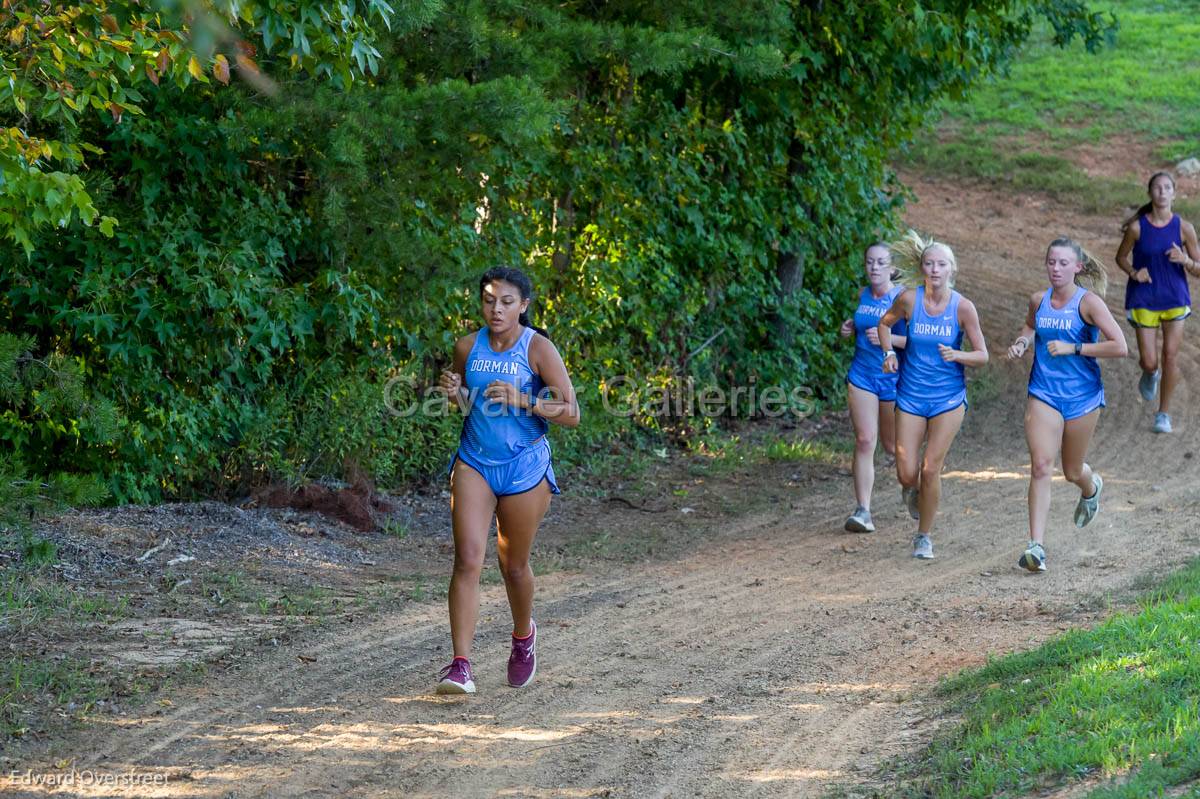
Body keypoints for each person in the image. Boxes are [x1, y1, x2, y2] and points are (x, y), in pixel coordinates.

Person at [435, 266, 579, 694]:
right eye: (488, 300)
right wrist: (453, 395)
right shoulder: (467, 347)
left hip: (524, 467)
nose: (495, 309)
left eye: (506, 301)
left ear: (524, 306)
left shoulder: (538, 349)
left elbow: (572, 413)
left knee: (513, 566)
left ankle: (522, 638)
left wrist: (525, 399)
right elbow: (465, 405)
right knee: (468, 559)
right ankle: (461, 664)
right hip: (475, 462)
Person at [1007, 238, 1127, 572]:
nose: (1055, 269)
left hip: (1083, 397)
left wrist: (1074, 348)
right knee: (1041, 465)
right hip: (1043, 392)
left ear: (1078, 267)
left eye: (1063, 263)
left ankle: (1091, 487)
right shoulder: (1038, 300)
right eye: (1051, 262)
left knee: (1072, 470)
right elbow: (1031, 326)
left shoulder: (1088, 303)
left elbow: (1120, 346)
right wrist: (1021, 342)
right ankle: (1036, 547)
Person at [878, 231, 988, 560]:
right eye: (929, 263)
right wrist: (888, 354)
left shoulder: (963, 308)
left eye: (941, 264)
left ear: (952, 269)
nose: (935, 269)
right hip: (910, 395)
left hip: (948, 399)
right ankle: (912, 491)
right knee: (906, 473)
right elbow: (884, 325)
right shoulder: (908, 300)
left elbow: (983, 354)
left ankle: (923, 537)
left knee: (930, 469)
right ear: (922, 267)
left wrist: (960, 356)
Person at [1115, 171, 1200, 433]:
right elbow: (1120, 257)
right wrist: (1133, 273)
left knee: (1170, 356)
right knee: (1150, 361)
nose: (1162, 192)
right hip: (1144, 297)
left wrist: (1185, 260)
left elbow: (1198, 268)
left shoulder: (1184, 228)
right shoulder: (1137, 227)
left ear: (1174, 193)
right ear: (1150, 193)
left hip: (1174, 298)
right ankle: (1150, 373)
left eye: (1167, 188)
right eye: (1157, 187)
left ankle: (1163, 414)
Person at [839, 243, 907, 533]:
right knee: (865, 440)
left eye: (881, 263)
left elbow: (917, 342)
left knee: (893, 447)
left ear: (892, 268)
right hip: (863, 375)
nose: (874, 268)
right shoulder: (863, 294)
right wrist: (850, 327)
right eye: (870, 262)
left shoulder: (903, 299)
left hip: (893, 378)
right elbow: (862, 321)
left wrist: (888, 341)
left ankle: (912, 484)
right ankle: (863, 511)